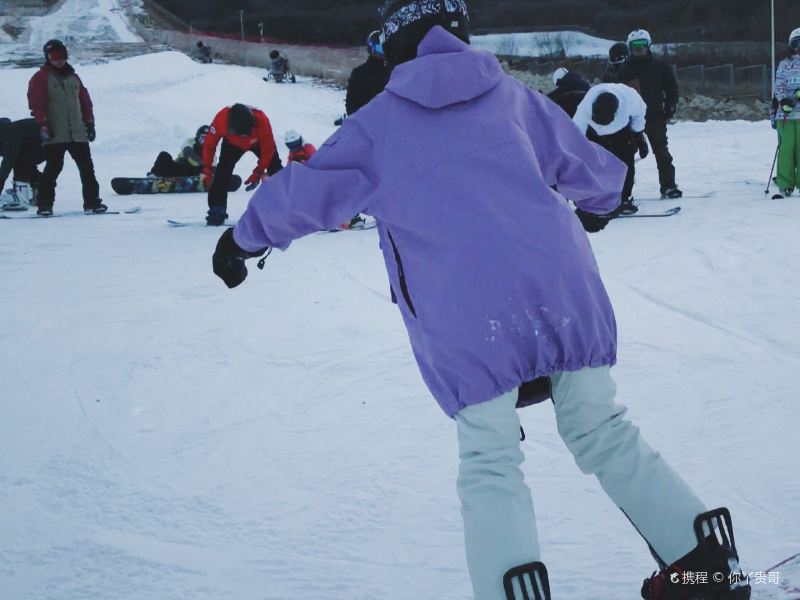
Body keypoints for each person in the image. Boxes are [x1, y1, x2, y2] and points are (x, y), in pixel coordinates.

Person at [211, 2, 751, 599]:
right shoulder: (511, 97)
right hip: (564, 291)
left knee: (491, 460)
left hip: (472, 320)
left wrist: (240, 241)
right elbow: (580, 159)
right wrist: (598, 203)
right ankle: (705, 564)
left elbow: (304, 194)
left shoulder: (378, 125)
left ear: (395, 49)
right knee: (602, 427)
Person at [28, 39, 106, 216]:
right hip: (55, 132)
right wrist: (43, 125)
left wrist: (90, 122)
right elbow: (36, 104)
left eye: (62, 56)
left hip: (77, 132)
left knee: (87, 168)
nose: (59, 60)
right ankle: (45, 205)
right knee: (53, 168)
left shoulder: (74, 77)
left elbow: (85, 101)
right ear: (48, 57)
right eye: (55, 57)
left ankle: (92, 203)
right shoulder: (40, 78)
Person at [615, 29, 682, 199]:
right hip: (629, 121)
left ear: (648, 46)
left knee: (661, 152)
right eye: (635, 47)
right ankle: (624, 193)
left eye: (642, 46)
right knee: (627, 156)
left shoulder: (659, 67)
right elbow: (615, 94)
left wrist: (671, 105)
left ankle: (668, 186)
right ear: (630, 48)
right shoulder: (624, 70)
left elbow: (671, 89)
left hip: (655, 117)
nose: (639, 50)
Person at [573, 83, 649, 215]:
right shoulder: (585, 107)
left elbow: (639, 115)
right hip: (594, 133)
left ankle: (624, 199)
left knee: (625, 164)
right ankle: (598, 199)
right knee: (596, 165)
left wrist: (639, 136)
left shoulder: (630, 98)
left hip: (621, 132)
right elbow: (575, 131)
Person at [202, 103, 282, 226]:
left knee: (276, 169)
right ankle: (217, 210)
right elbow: (209, 145)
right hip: (232, 145)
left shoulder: (262, 121)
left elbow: (268, 150)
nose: (245, 136)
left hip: (258, 143)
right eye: (242, 134)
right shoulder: (221, 119)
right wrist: (207, 169)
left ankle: (286, 207)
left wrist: (258, 172)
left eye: (248, 132)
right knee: (222, 172)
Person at [772, 27, 800, 199]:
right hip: (787, 115)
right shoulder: (785, 64)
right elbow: (779, 85)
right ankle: (785, 183)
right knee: (786, 148)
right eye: (797, 44)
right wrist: (783, 100)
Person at [0, 117, 44, 210]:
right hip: (42, 141)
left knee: (19, 161)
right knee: (22, 159)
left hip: (46, 142)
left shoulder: (9, 133)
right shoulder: (7, 131)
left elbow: (8, 161)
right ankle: (41, 189)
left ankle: (20, 196)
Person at [345, 30, 390, 115]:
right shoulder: (389, 73)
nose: (382, 52)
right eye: (379, 49)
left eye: (384, 49)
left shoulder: (358, 72)